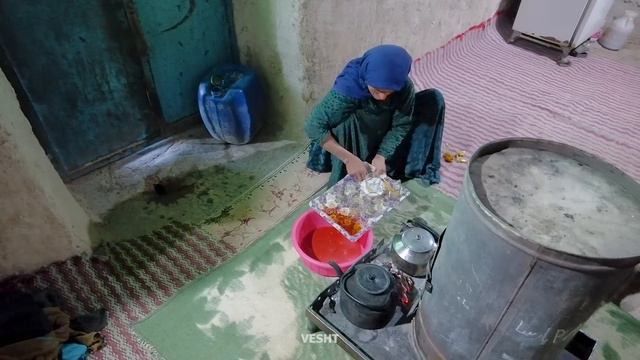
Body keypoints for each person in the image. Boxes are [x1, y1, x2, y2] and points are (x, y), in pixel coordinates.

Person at [304, 44, 446, 187]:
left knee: (434, 99)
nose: (382, 97)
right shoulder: (348, 89)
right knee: (346, 122)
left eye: (389, 92)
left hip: (384, 127)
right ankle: (357, 165)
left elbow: (402, 125)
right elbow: (313, 126)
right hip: (360, 131)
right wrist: (348, 159)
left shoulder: (404, 87)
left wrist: (381, 155)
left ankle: (399, 165)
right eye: (377, 90)